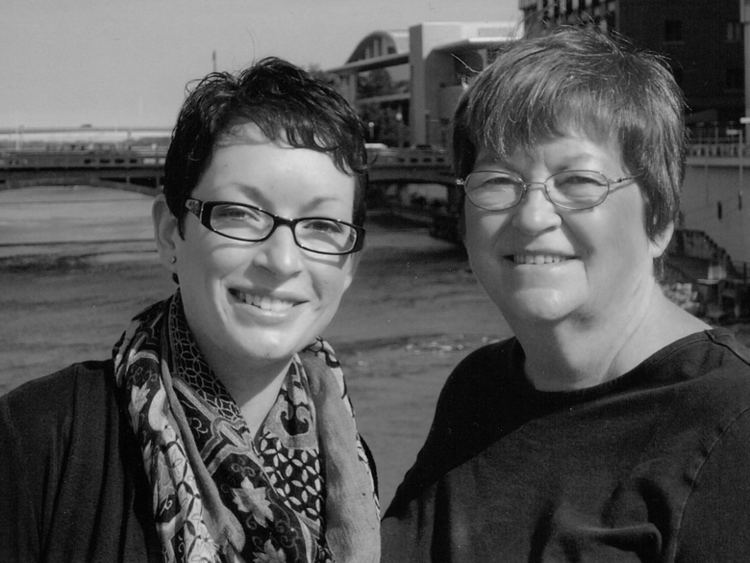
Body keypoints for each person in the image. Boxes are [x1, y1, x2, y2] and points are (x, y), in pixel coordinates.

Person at [382, 26, 750, 561]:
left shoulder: (733, 430)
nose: (532, 216)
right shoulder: (478, 390)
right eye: (497, 181)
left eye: (578, 182)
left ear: (660, 219)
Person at [0, 57, 380, 562]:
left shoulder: (349, 460)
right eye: (241, 214)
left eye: (323, 226)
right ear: (170, 235)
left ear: (350, 264)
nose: (283, 260)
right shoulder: (38, 441)